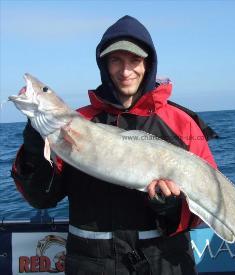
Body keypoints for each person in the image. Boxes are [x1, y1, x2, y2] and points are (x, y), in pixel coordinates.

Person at [11, 15, 218, 275]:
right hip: (91, 265)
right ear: (104, 65)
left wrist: (173, 209)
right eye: (115, 60)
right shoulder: (77, 122)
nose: (125, 70)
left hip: (165, 263)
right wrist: (33, 148)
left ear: (149, 63)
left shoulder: (182, 123)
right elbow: (42, 198)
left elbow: (209, 200)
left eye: (135, 60)